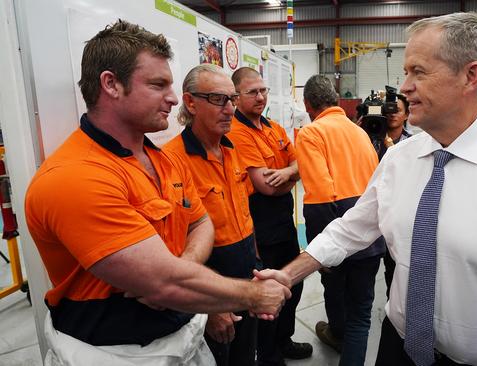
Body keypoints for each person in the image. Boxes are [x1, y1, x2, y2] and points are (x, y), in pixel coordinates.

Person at [256, 12, 477, 366]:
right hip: (398, 348)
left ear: (470, 76)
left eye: (418, 71)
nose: (404, 87)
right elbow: (353, 228)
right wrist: (289, 275)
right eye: (406, 72)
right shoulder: (400, 159)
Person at [24, 21, 290, 365]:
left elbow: (200, 224)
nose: (173, 97)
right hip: (113, 353)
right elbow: (161, 284)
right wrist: (254, 295)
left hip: (181, 336)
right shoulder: (76, 177)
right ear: (111, 84)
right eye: (157, 84)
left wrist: (181, 268)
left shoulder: (162, 162)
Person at [163, 64, 257, 366]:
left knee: (245, 356)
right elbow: (173, 248)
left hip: (246, 277)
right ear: (190, 103)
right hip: (208, 286)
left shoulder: (232, 150)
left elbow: (244, 214)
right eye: (219, 99)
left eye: (232, 99)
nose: (230, 109)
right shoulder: (171, 162)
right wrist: (208, 307)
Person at [296, 74, 385, 365]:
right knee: (361, 312)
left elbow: (320, 197)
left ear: (309, 105)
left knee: (334, 290)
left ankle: (336, 333)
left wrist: (321, 253)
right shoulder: (360, 132)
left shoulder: (312, 133)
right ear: (335, 100)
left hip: (337, 231)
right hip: (371, 235)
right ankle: (346, 345)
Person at [227, 67, 312, 365]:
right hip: (260, 224)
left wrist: (288, 172)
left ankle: (283, 339)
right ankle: (268, 355)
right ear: (236, 97)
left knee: (293, 284)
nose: (261, 96)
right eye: (253, 92)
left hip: (284, 222)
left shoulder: (273, 127)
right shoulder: (237, 133)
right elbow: (265, 187)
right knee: (268, 292)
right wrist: (294, 174)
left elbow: (301, 161)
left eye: (263, 90)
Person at [381, 93, 412, 297]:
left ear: (407, 114)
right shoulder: (366, 137)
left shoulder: (413, 144)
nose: (391, 114)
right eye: (387, 110)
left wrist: (392, 151)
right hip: (372, 209)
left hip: (398, 211)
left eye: (397, 110)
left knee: (394, 267)